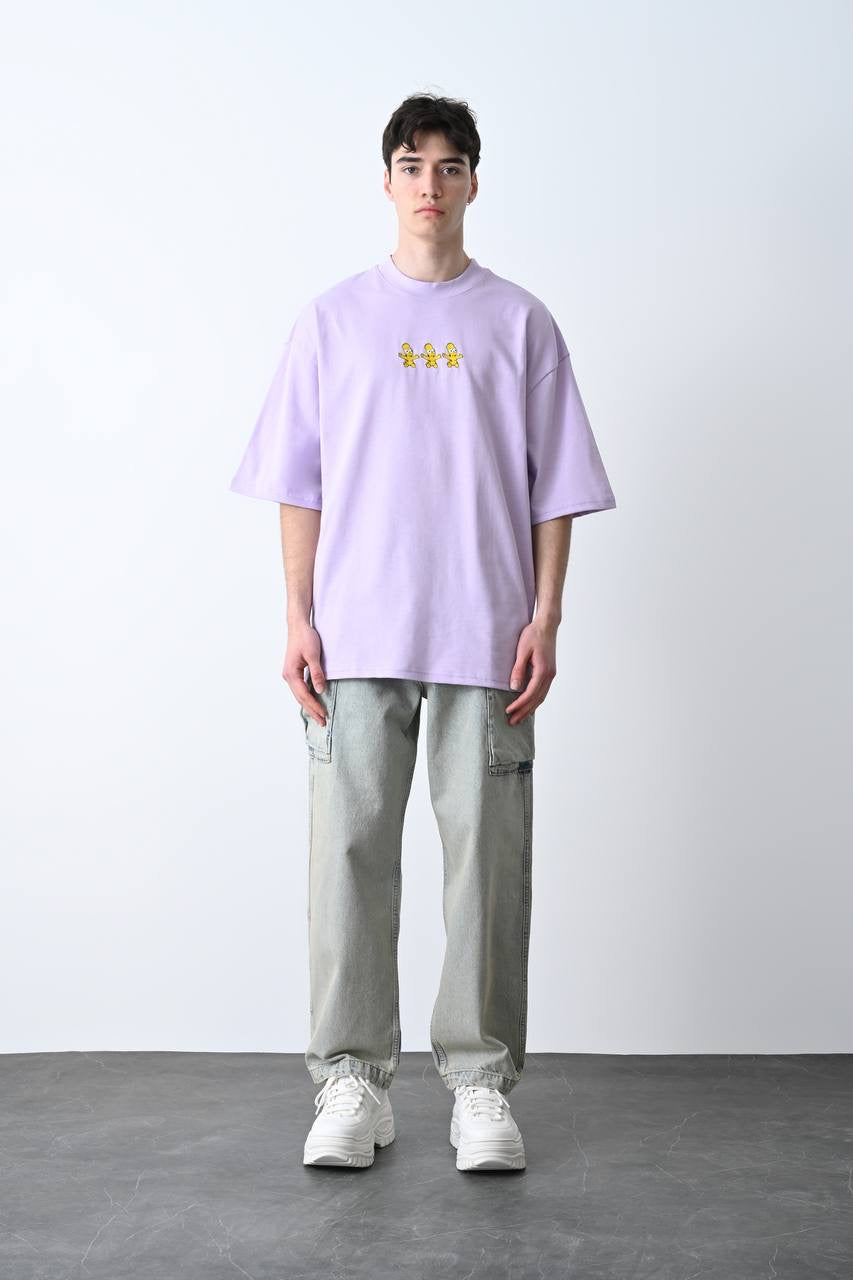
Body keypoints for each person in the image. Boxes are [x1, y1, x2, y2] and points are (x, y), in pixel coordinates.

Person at [229, 93, 616, 1173]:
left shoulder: (520, 323)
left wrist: (545, 615)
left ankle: (480, 1082)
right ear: (387, 182)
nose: (430, 184)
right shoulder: (333, 320)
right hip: (355, 633)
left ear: (473, 182)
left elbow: (555, 488)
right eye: (412, 165)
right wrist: (296, 615)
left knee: (485, 866)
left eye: (449, 166)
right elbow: (298, 481)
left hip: (485, 636)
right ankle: (351, 1079)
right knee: (348, 860)